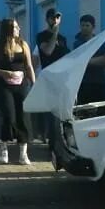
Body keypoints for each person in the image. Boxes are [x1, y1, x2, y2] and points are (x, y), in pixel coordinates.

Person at [0, 18, 37, 165]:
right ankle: (3, 146)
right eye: (15, 27)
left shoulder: (23, 44)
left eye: (18, 27)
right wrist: (3, 73)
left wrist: (34, 84)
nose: (18, 29)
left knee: (23, 117)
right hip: (4, 86)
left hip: (21, 85)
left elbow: (29, 66)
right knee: (9, 116)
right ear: (7, 30)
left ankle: (23, 151)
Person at [35, 7, 69, 142]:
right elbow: (48, 51)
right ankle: (46, 137)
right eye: (52, 17)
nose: (55, 20)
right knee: (48, 111)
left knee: (59, 110)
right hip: (47, 77)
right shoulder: (41, 36)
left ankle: (58, 137)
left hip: (61, 78)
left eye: (57, 17)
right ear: (47, 19)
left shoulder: (63, 38)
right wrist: (54, 33)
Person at [74, 14, 105, 104]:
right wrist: (99, 60)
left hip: (99, 83)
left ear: (93, 27)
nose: (84, 28)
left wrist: (87, 61)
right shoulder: (77, 44)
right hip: (84, 84)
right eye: (82, 25)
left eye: (87, 25)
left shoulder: (100, 42)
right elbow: (78, 61)